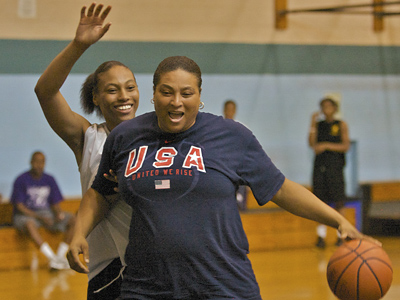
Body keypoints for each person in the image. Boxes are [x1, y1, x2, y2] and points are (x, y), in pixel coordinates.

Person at [67, 56, 379, 300]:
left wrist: (338, 220)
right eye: (167, 92)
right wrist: (79, 232)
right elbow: (101, 193)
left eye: (186, 93)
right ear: (153, 95)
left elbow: (280, 188)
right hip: (147, 287)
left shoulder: (231, 136)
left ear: (199, 96)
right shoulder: (125, 137)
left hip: (223, 285)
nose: (176, 102)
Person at [34, 3, 139, 299]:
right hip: (107, 266)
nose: (124, 96)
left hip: (153, 262)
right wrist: (79, 46)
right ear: (96, 96)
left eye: (130, 87)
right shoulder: (87, 137)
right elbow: (45, 92)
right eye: (112, 89)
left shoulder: (154, 137)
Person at [10, 151, 75, 270]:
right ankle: (52, 258)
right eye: (36, 162)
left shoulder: (49, 179)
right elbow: (19, 207)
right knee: (29, 224)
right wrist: (40, 218)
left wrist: (58, 214)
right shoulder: (21, 180)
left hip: (47, 213)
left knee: (73, 219)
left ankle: (61, 257)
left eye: (42, 162)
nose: (39, 165)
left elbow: (55, 203)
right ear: (31, 162)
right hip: (26, 215)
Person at [308, 97, 350, 249]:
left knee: (339, 201)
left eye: (329, 106)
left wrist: (326, 145)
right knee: (320, 203)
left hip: (335, 168)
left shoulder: (341, 125)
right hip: (320, 168)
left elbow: (346, 145)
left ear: (335, 108)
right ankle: (321, 236)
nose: (326, 108)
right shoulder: (318, 125)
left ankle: (341, 235)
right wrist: (312, 123)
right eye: (323, 106)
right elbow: (311, 143)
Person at [223, 99, 248, 210]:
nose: (229, 112)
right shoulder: (217, 127)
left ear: (235, 111)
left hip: (236, 164)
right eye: (227, 109)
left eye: (231, 109)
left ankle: (241, 204)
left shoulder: (240, 128)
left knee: (242, 181)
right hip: (222, 163)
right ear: (224, 110)